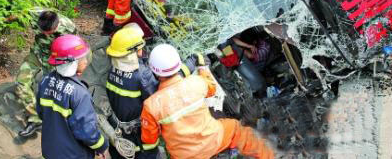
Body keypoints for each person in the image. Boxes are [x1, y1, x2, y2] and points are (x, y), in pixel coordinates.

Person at [140, 44, 274, 159]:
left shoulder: (151, 105)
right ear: (179, 63)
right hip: (213, 140)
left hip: (183, 156)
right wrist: (203, 68)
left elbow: (149, 139)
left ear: (154, 71)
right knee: (237, 129)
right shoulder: (196, 83)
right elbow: (211, 89)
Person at [36, 34, 110, 159]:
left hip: (50, 151)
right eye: (82, 59)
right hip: (73, 154)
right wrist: (102, 146)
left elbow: (41, 113)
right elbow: (86, 131)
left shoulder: (46, 81)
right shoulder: (79, 94)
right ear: (72, 63)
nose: (86, 61)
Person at [16, 9, 77, 137]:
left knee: (55, 90)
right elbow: (17, 13)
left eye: (50, 33)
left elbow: (73, 49)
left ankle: (63, 120)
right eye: (43, 32)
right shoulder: (34, 14)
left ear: (57, 25)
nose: (46, 35)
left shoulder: (69, 27)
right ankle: (35, 119)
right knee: (21, 82)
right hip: (37, 55)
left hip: (54, 60)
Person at [105, 24, 160, 158]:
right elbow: (158, 99)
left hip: (117, 131)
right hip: (139, 138)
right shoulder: (142, 75)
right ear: (133, 51)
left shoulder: (112, 69)